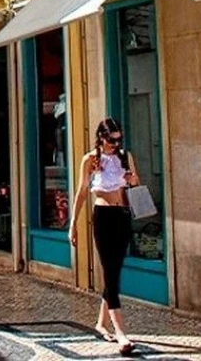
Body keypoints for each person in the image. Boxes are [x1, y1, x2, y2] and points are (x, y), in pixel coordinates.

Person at [68, 118, 140, 357]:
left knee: (115, 272)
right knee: (110, 272)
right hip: (103, 217)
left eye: (119, 139)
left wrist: (131, 180)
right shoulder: (90, 160)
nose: (115, 144)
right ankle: (121, 334)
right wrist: (73, 224)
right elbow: (80, 192)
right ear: (101, 137)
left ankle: (101, 323)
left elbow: (136, 182)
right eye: (111, 140)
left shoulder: (125, 156)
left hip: (123, 216)